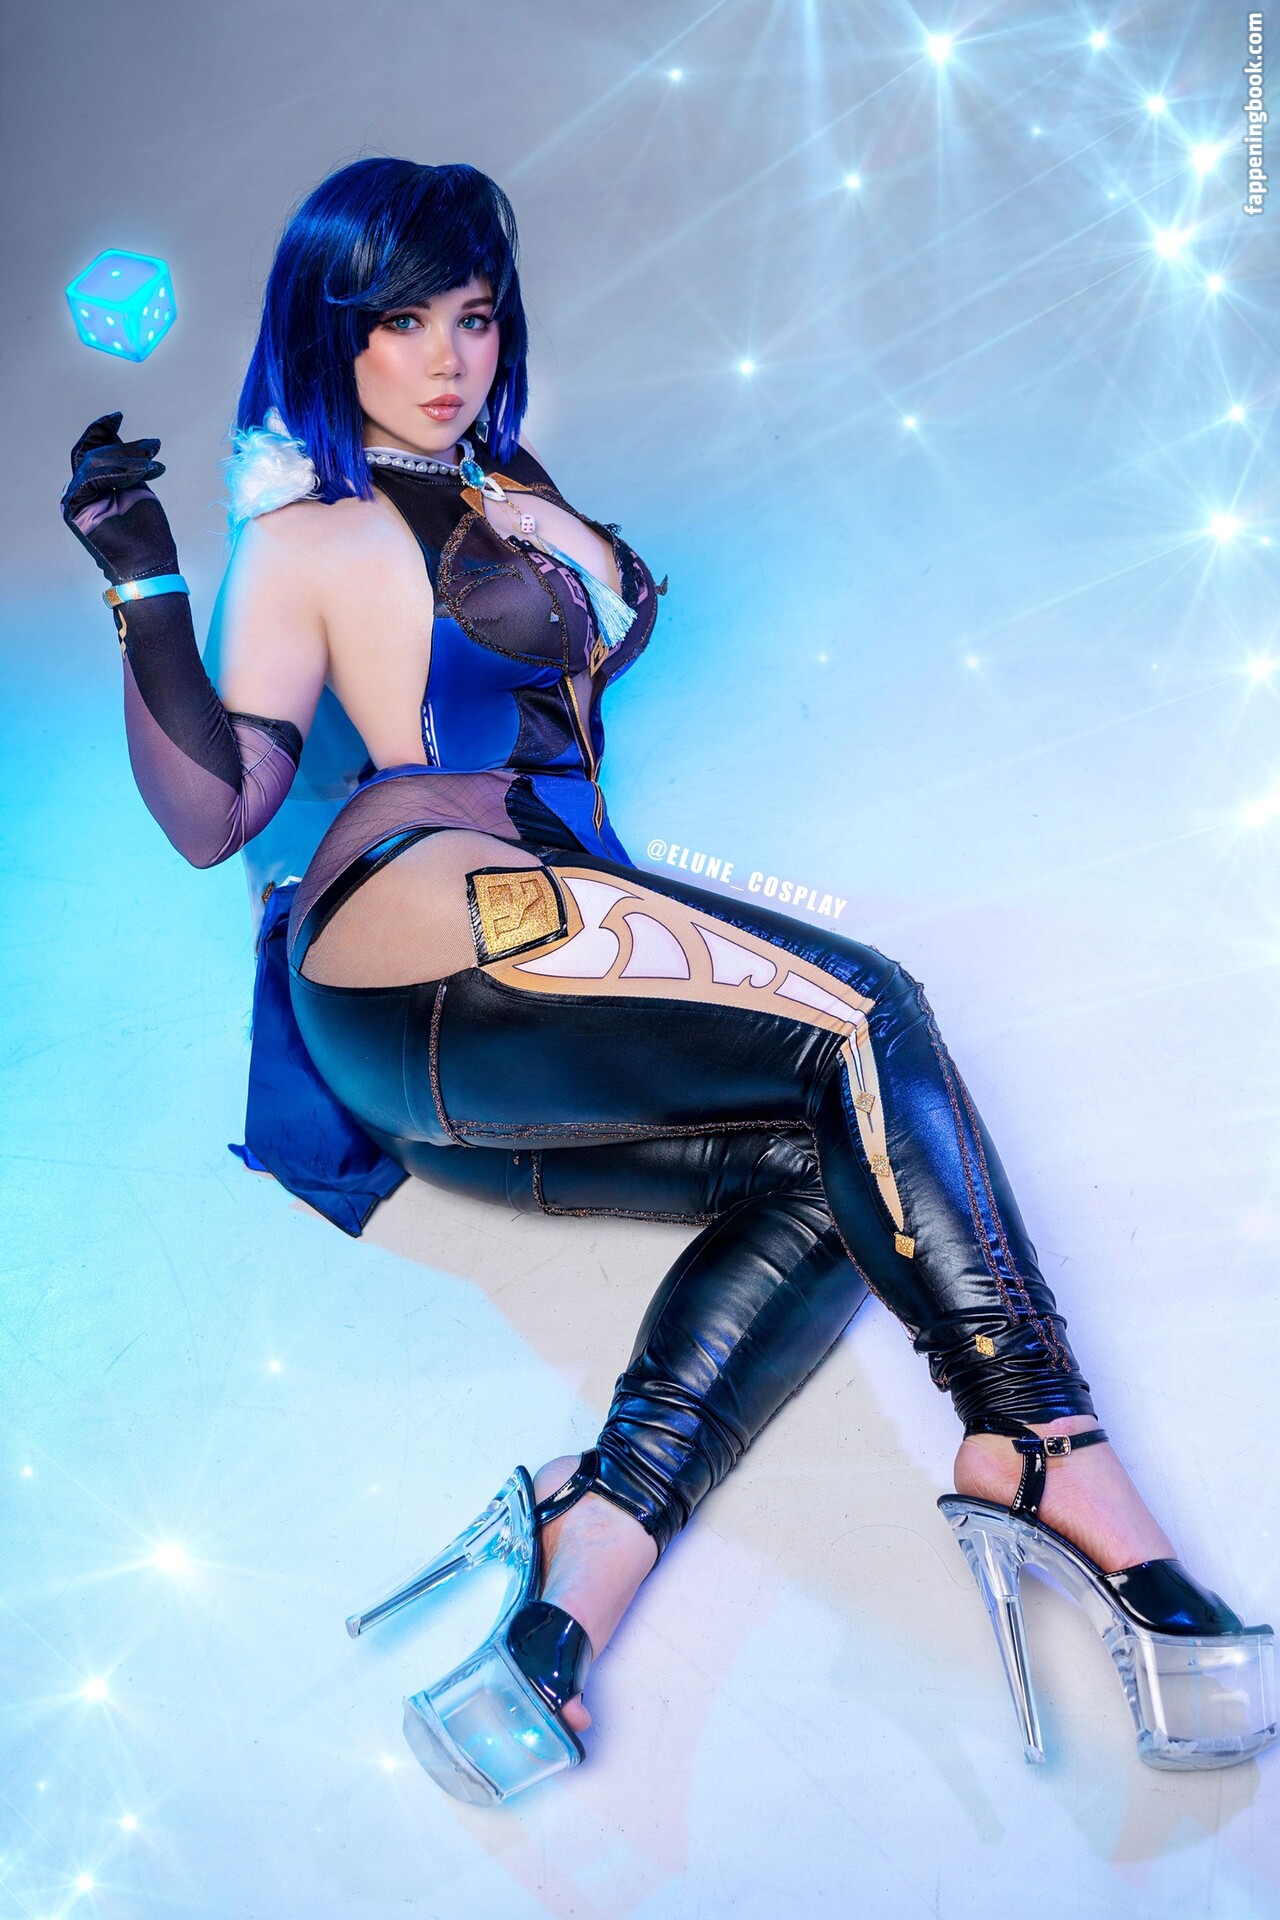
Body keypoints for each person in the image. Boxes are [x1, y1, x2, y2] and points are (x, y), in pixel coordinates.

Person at [60, 156, 1275, 1805]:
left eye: (473, 316)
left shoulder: (505, 478)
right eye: (400, 321)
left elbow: (598, 623)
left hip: (530, 989)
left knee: (839, 1166)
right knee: (866, 1012)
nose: (446, 356)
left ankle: (591, 1553)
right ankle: (1050, 1451)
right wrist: (143, 584)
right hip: (418, 936)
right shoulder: (308, 538)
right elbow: (219, 816)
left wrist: (541, 518)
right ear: (329, 334)